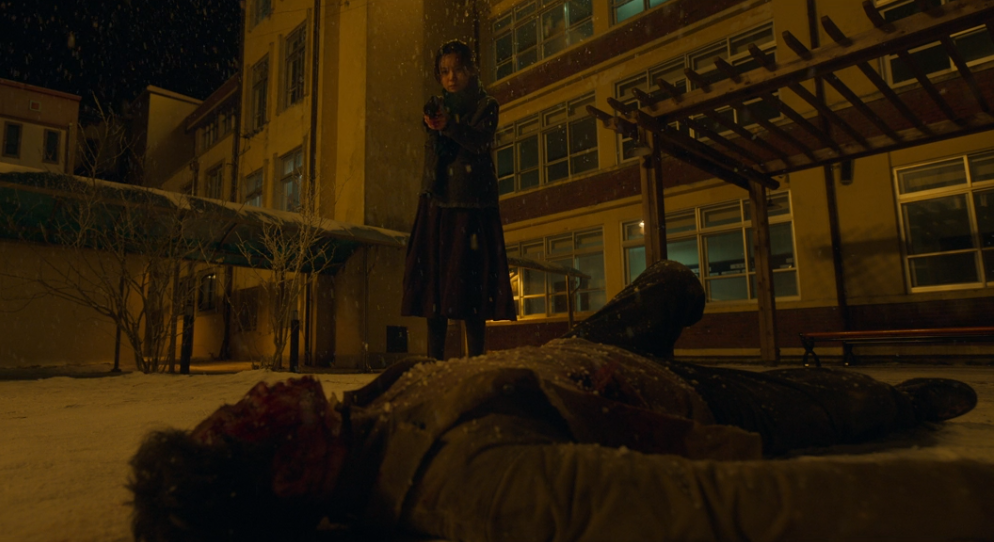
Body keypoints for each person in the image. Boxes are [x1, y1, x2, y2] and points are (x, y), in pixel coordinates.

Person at [129, 261, 990, 542]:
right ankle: (897, 400)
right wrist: (965, 497)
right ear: (288, 473)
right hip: (678, 396)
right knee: (843, 403)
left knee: (674, 281)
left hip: (586, 345)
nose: (257, 390)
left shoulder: (357, 416)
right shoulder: (470, 486)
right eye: (245, 416)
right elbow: (727, 509)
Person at [401, 40, 516, 360]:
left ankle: (475, 363)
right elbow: (435, 149)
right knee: (434, 294)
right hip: (437, 205)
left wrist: (449, 126)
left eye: (458, 69)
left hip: (471, 208)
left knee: (471, 294)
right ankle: (434, 364)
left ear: (471, 70)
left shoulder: (486, 104)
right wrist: (434, 124)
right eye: (444, 71)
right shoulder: (438, 105)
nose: (451, 77)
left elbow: (479, 141)